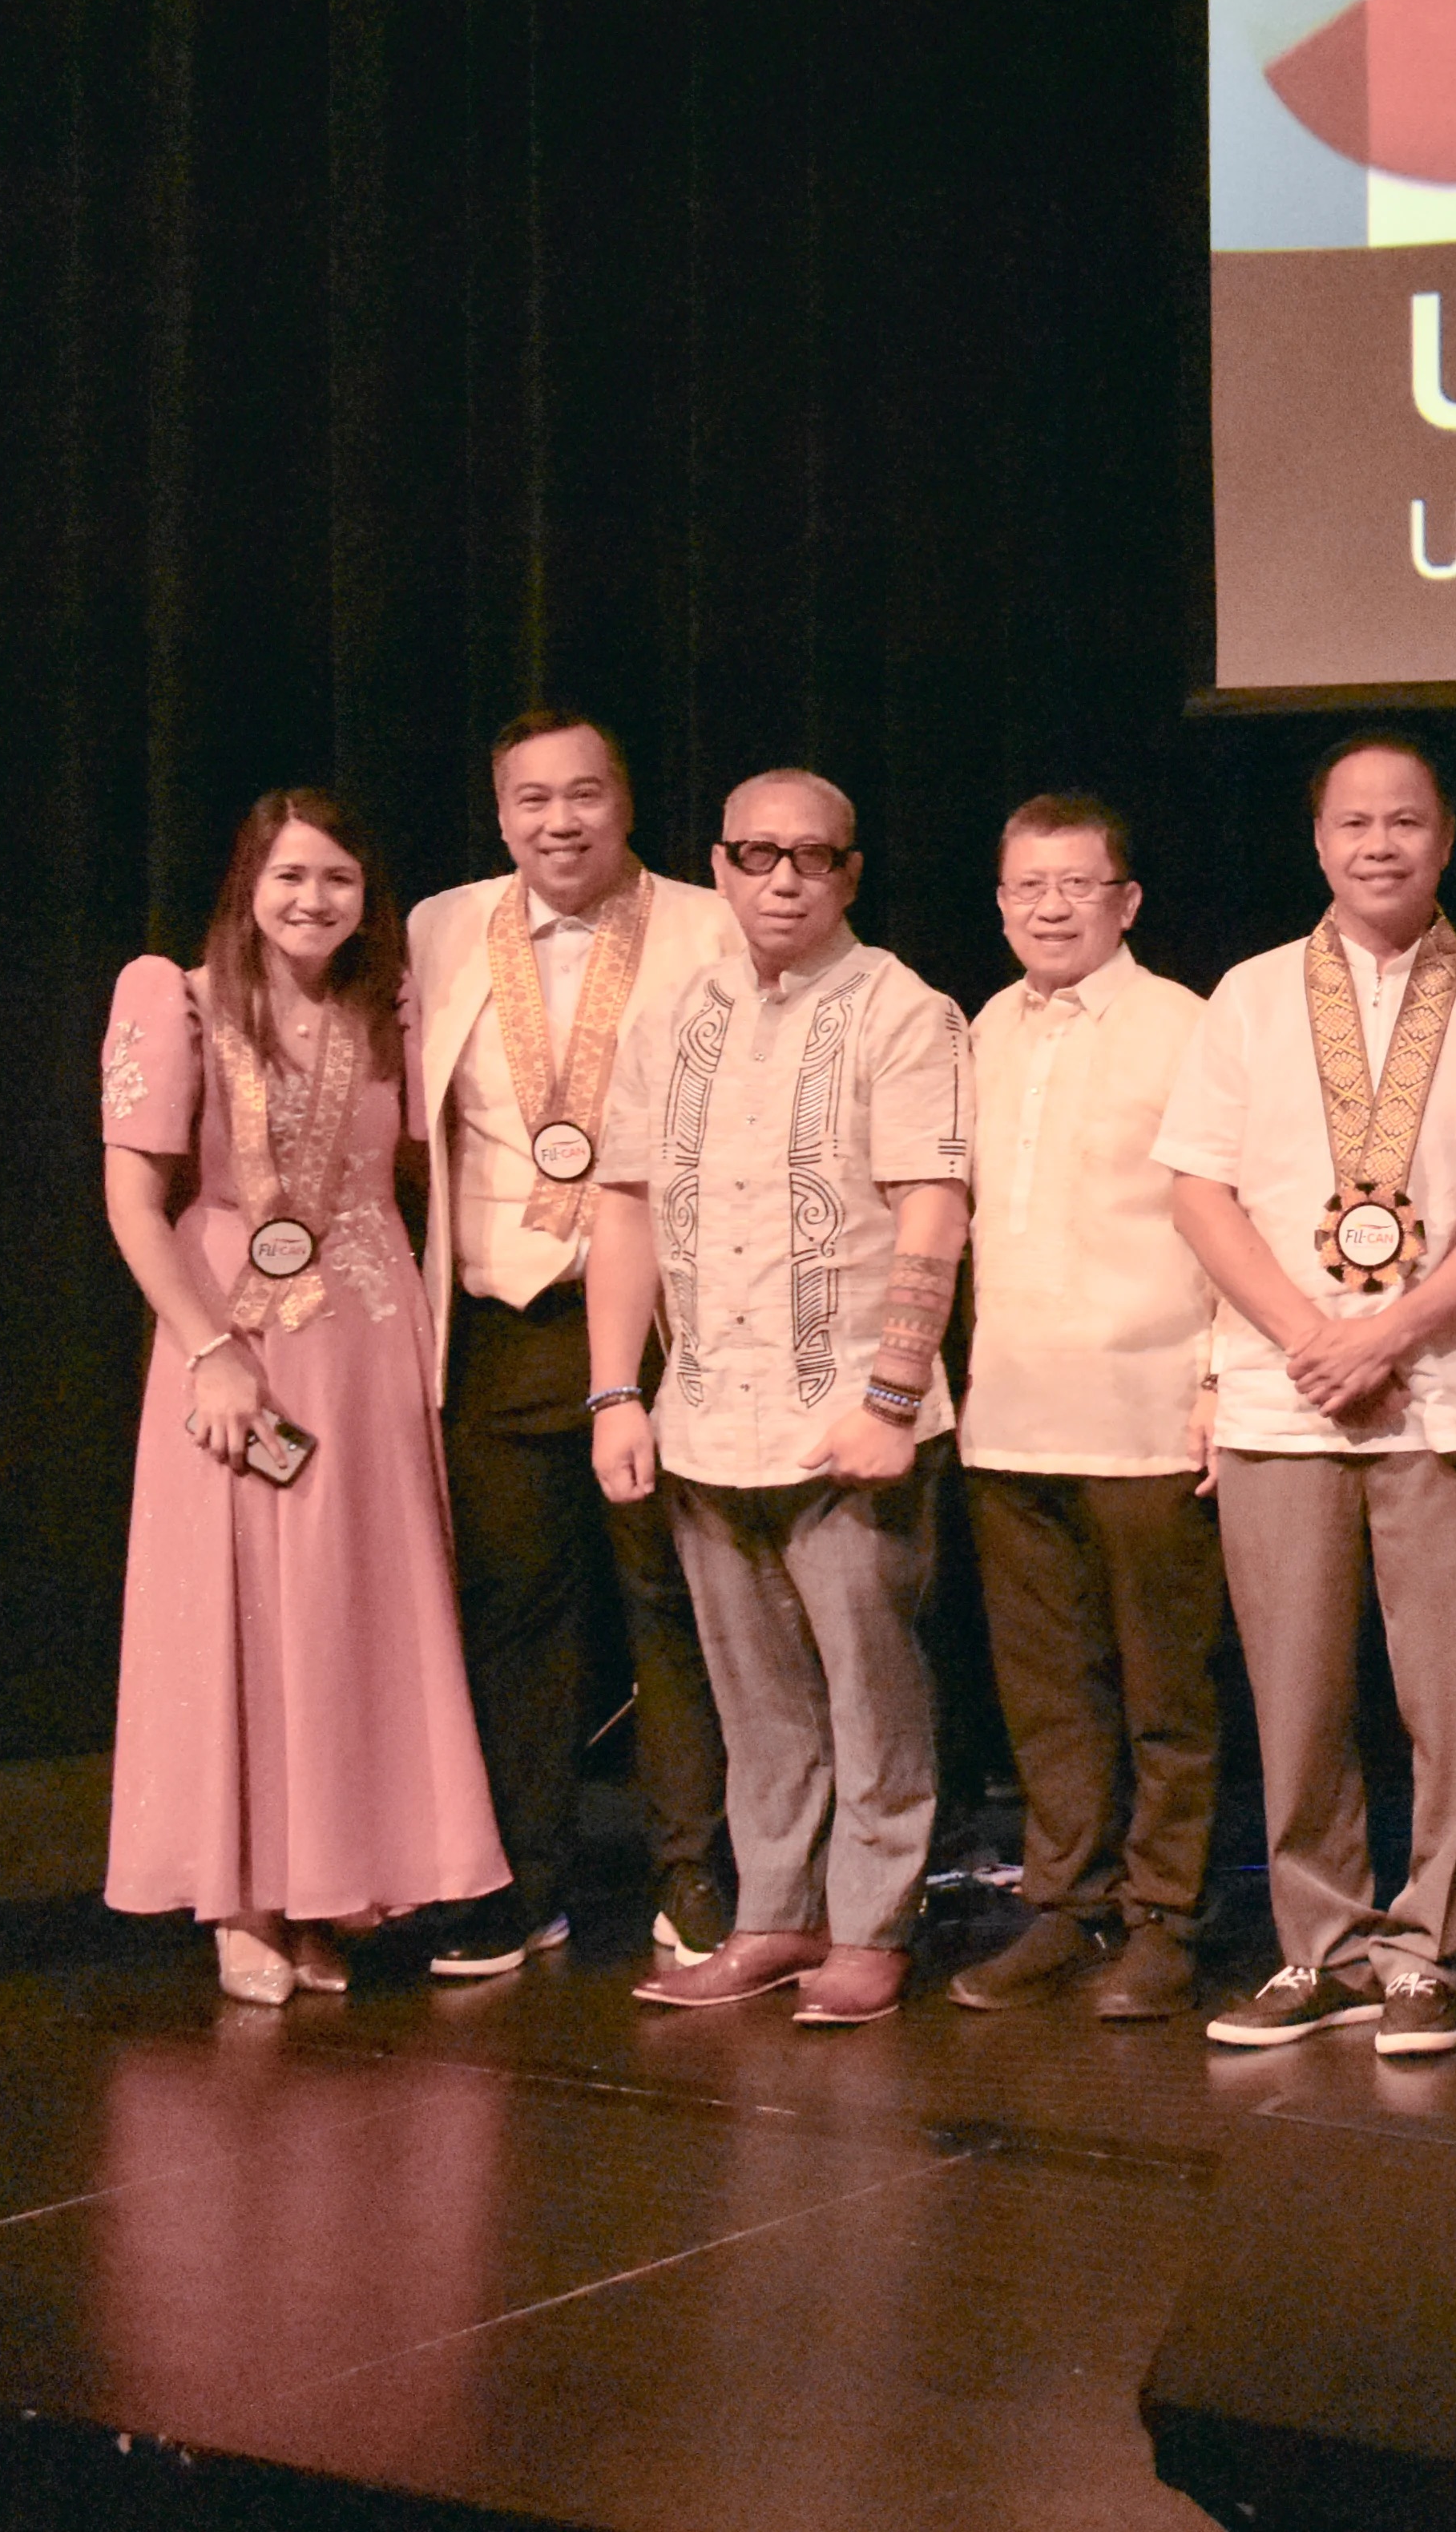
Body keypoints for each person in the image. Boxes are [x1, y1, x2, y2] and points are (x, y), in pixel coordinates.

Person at [1163, 734, 1456, 2060]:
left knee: (1451, 1704)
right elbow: (1200, 1192)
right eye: (1354, 822)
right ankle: (1320, 1949)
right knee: (1295, 1697)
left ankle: (1429, 1951)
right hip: (1283, 1402)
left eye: (1405, 822)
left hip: (1449, 1396)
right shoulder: (1247, 996)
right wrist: (1309, 1339)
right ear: (1319, 841)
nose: (1379, 844)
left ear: (1444, 840)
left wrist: (1388, 1332)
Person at [98, 793, 506, 1999]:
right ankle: (240, 1900)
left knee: (349, 1608)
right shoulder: (175, 998)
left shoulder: (393, 1008)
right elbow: (133, 1204)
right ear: (248, 885)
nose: (313, 900)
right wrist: (209, 1351)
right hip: (231, 1334)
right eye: (289, 876)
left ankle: (328, 1887)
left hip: (368, 1342)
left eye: (338, 879)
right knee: (240, 1607)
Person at [584, 770, 971, 2029]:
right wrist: (615, 1392)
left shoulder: (902, 1008)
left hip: (848, 1420)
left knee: (871, 1689)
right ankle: (776, 1916)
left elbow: (933, 1208)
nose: (784, 880)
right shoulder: (671, 1017)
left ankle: (872, 1925)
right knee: (754, 1703)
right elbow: (625, 1206)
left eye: (813, 857)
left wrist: (892, 1395)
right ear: (720, 867)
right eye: (757, 855)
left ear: (850, 873)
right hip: (706, 1419)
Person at [405, 712, 746, 1977]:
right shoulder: (439, 926)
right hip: (498, 1320)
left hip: (663, 1325)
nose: (561, 820)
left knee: (674, 1603)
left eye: (585, 793)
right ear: (501, 816)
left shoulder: (711, 924)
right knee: (511, 1614)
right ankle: (519, 1881)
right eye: (533, 799)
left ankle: (693, 1869)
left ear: (626, 802)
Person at [945, 794, 1220, 2024]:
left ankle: (1166, 1916)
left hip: (1148, 1409)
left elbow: (1234, 1213)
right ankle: (1067, 1903)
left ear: (1127, 901)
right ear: (1002, 903)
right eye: (1027, 887)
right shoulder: (982, 1029)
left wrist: (1219, 1381)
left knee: (1168, 1693)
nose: (1050, 909)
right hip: (1010, 1414)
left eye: (1076, 885)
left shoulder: (1183, 1027)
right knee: (1049, 1694)